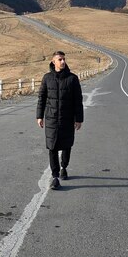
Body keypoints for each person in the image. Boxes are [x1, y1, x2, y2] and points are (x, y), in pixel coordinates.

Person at [37, 50, 84, 189]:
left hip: (67, 118)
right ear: (53, 61)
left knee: (66, 145)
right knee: (52, 147)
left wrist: (79, 119)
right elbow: (42, 98)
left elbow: (78, 101)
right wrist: (39, 116)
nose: (63, 61)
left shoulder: (73, 79)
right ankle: (55, 176)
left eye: (64, 59)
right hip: (51, 119)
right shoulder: (47, 78)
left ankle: (64, 166)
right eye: (60, 59)